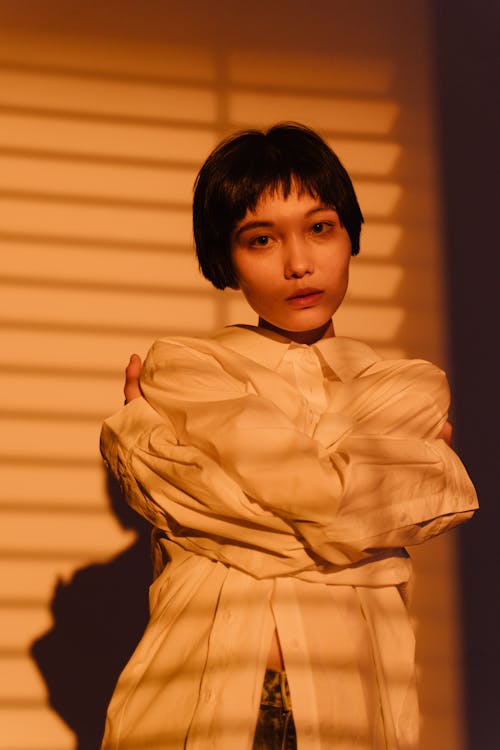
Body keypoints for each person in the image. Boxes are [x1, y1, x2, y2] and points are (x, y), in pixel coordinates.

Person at [99, 123, 477, 750]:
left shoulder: (408, 385)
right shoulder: (186, 367)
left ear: (350, 234)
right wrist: (369, 530)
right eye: (261, 239)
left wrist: (195, 496)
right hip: (200, 700)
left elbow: (302, 503)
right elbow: (339, 510)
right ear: (226, 257)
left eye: (320, 227)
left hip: (351, 708)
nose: (298, 263)